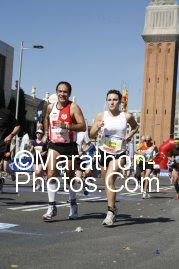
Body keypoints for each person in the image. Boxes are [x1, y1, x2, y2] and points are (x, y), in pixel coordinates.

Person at [90, 89, 138, 226]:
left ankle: (110, 212)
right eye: (109, 99)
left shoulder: (126, 116)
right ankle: (114, 208)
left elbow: (135, 127)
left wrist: (129, 135)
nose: (112, 102)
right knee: (106, 181)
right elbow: (91, 135)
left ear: (120, 102)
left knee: (110, 179)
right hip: (103, 151)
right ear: (107, 102)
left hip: (119, 152)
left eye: (115, 99)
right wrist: (97, 127)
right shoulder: (101, 115)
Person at [42, 81, 86, 220]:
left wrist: (67, 126)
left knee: (69, 174)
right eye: (60, 91)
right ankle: (51, 207)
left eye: (65, 92)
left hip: (69, 146)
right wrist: (46, 133)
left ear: (69, 94)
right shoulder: (50, 107)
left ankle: (73, 205)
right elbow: (46, 119)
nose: (62, 94)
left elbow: (83, 126)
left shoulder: (73, 107)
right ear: (56, 92)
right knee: (51, 173)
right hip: (54, 145)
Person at [0, 107, 20, 191]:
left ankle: (11, 173)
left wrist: (11, 135)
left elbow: (18, 126)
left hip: (2, 144)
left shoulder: (6, 112)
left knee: (5, 167)